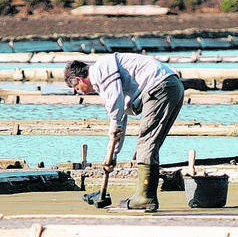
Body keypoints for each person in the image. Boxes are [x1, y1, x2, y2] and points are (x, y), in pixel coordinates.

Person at [64, 53, 184, 212]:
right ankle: (145, 195)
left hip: (160, 87)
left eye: (77, 89)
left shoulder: (101, 70)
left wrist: (110, 153)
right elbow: (122, 117)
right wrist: (112, 155)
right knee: (149, 146)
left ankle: (145, 198)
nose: (83, 93)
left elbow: (116, 111)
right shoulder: (107, 76)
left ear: (79, 79)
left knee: (146, 145)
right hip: (171, 86)